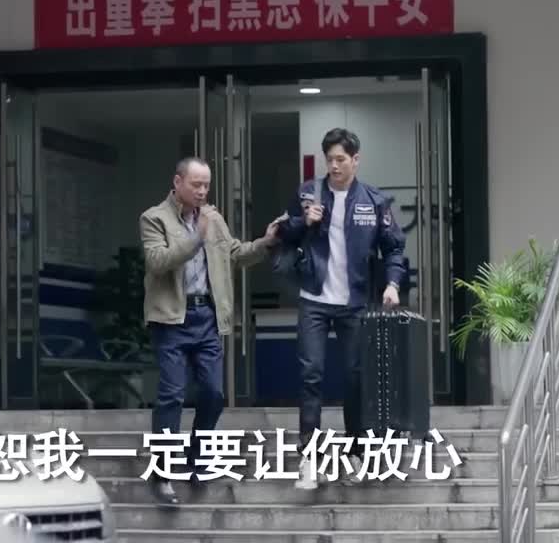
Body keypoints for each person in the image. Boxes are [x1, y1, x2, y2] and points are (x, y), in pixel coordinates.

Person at [139, 156, 283, 506]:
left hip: (207, 316)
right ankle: (162, 472)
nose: (203, 191)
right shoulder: (154, 218)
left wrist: (266, 241)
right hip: (171, 317)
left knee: (214, 394)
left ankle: (197, 457)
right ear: (178, 182)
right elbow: (157, 261)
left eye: (206, 185)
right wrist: (196, 237)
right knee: (172, 395)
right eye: (196, 184)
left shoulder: (213, 219)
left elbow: (236, 254)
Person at [277, 128, 407, 490]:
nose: (334, 166)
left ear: (355, 160)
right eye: (329, 159)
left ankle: (356, 453)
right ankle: (309, 458)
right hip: (314, 299)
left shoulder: (374, 201)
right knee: (311, 375)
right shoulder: (308, 193)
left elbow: (394, 248)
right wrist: (304, 221)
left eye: (341, 159)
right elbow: (283, 234)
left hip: (355, 303)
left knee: (355, 378)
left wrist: (392, 284)